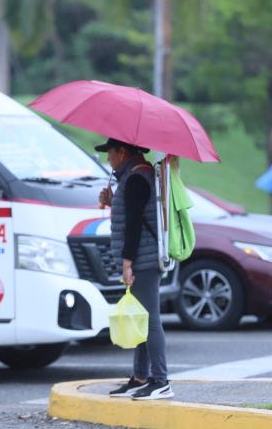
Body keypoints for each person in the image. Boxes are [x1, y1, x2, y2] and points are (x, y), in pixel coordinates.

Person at [96, 137, 173, 400]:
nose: (109, 158)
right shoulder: (133, 178)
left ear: (123, 151)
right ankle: (141, 377)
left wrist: (127, 262)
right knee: (141, 317)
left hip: (143, 260)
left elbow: (134, 226)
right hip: (142, 257)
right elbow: (132, 214)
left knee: (150, 320)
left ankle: (161, 381)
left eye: (110, 152)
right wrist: (113, 199)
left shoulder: (137, 178)